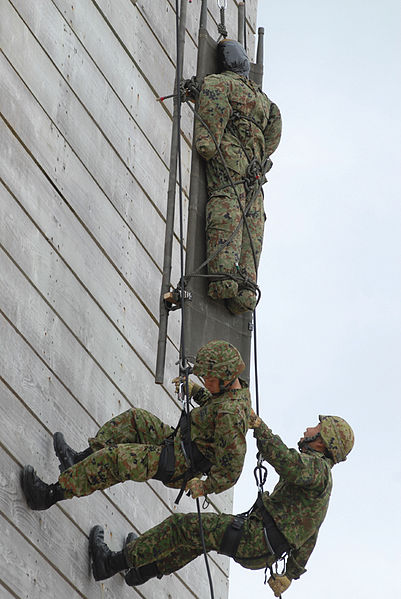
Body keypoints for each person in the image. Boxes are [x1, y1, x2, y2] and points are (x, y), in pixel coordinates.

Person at [87, 413, 354, 596]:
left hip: (255, 538)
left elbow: (287, 462)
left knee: (184, 526)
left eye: (315, 429)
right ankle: (141, 570)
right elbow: (311, 533)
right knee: (196, 539)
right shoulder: (321, 484)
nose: (308, 430)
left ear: (322, 441)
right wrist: (289, 574)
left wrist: (259, 427)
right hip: (261, 546)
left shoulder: (316, 471)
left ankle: (110, 563)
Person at [21, 340, 252, 510]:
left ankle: (49, 495)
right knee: (135, 419)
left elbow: (232, 471)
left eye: (208, 380)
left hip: (180, 465)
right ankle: (79, 461)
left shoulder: (232, 416)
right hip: (178, 444)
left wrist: (206, 486)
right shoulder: (230, 393)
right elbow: (213, 410)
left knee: (115, 459)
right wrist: (196, 391)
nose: (205, 381)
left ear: (225, 378)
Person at [194, 39, 282, 314]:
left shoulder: (220, 84)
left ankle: (225, 279)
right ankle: (243, 289)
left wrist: (209, 140)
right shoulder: (266, 102)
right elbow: (274, 134)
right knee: (252, 224)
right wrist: (258, 157)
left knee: (227, 210)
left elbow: (209, 131)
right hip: (252, 172)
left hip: (233, 161)